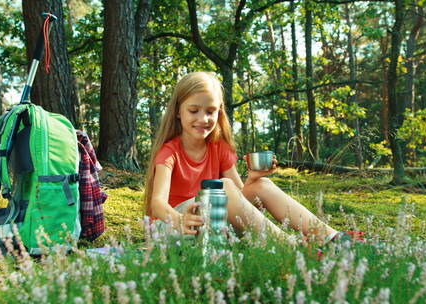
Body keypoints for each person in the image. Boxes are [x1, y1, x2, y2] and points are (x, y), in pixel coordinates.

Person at [143, 71, 350, 245]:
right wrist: (179, 220)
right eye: (194, 110)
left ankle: (331, 238)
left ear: (219, 113)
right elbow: (157, 204)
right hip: (175, 225)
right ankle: (288, 247)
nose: (203, 119)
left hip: (214, 221)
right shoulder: (169, 152)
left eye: (211, 111)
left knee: (262, 184)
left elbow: (240, 200)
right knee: (222, 186)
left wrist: (252, 179)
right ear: (178, 111)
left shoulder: (219, 148)